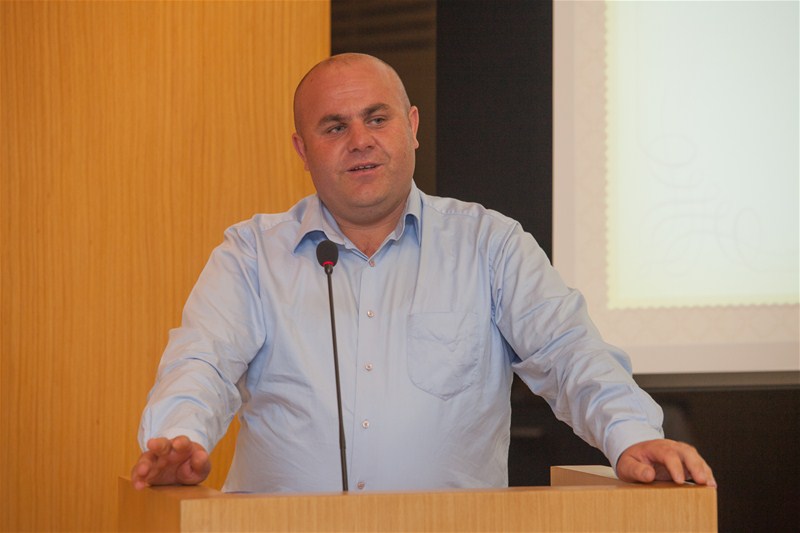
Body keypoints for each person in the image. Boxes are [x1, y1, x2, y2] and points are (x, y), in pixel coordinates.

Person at [131, 53, 715, 492]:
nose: (360, 141)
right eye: (334, 127)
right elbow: (203, 363)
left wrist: (631, 434)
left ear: (412, 126)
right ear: (303, 150)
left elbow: (568, 352)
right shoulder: (252, 254)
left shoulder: (489, 244)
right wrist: (181, 438)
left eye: (376, 118)